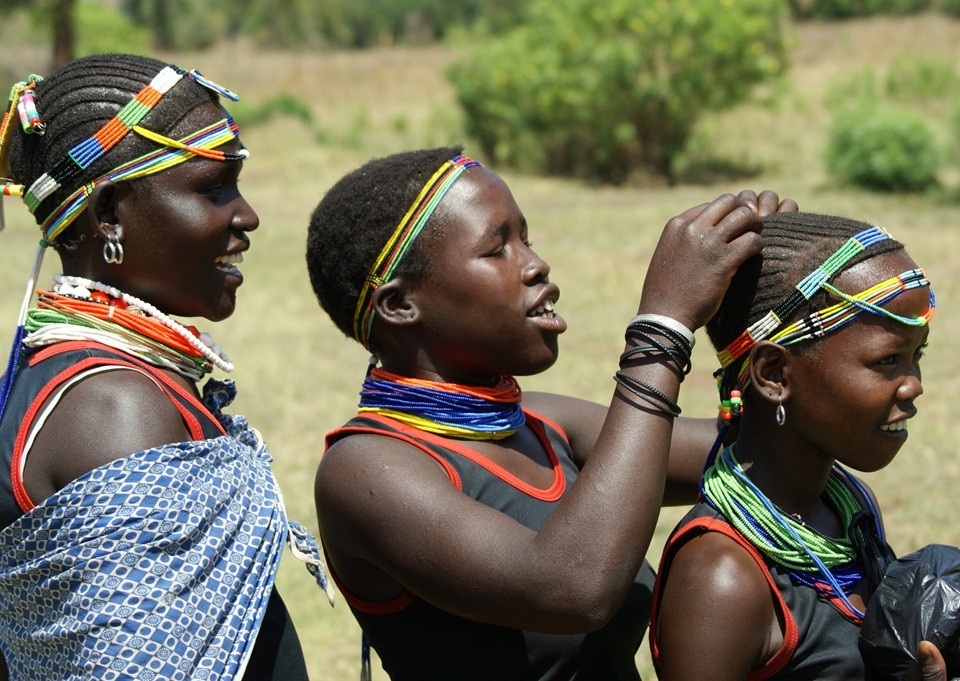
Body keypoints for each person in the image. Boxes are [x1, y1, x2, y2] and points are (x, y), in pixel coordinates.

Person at [305, 145, 795, 679]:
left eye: (527, 239)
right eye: (497, 250)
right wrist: (663, 329)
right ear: (400, 305)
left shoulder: (542, 423)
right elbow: (573, 590)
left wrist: (764, 317)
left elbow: (768, 454)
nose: (536, 265)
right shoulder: (366, 471)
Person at [0, 53, 330, 680]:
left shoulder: (70, 381)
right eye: (213, 188)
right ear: (108, 217)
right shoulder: (113, 406)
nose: (247, 215)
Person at [649, 212, 947, 680]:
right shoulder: (722, 576)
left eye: (917, 355)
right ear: (774, 374)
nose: (913, 386)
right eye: (888, 359)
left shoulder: (848, 507)